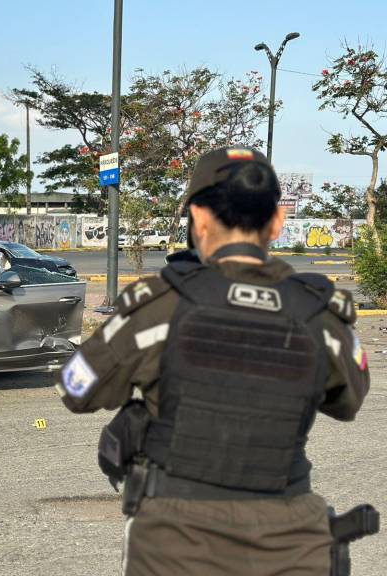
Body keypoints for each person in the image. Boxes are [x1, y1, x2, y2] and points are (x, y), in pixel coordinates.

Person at [56, 146, 370, 576]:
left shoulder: (160, 306)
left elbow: (76, 390)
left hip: (174, 543)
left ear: (198, 220)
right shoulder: (320, 315)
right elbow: (349, 401)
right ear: (277, 222)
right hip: (292, 544)